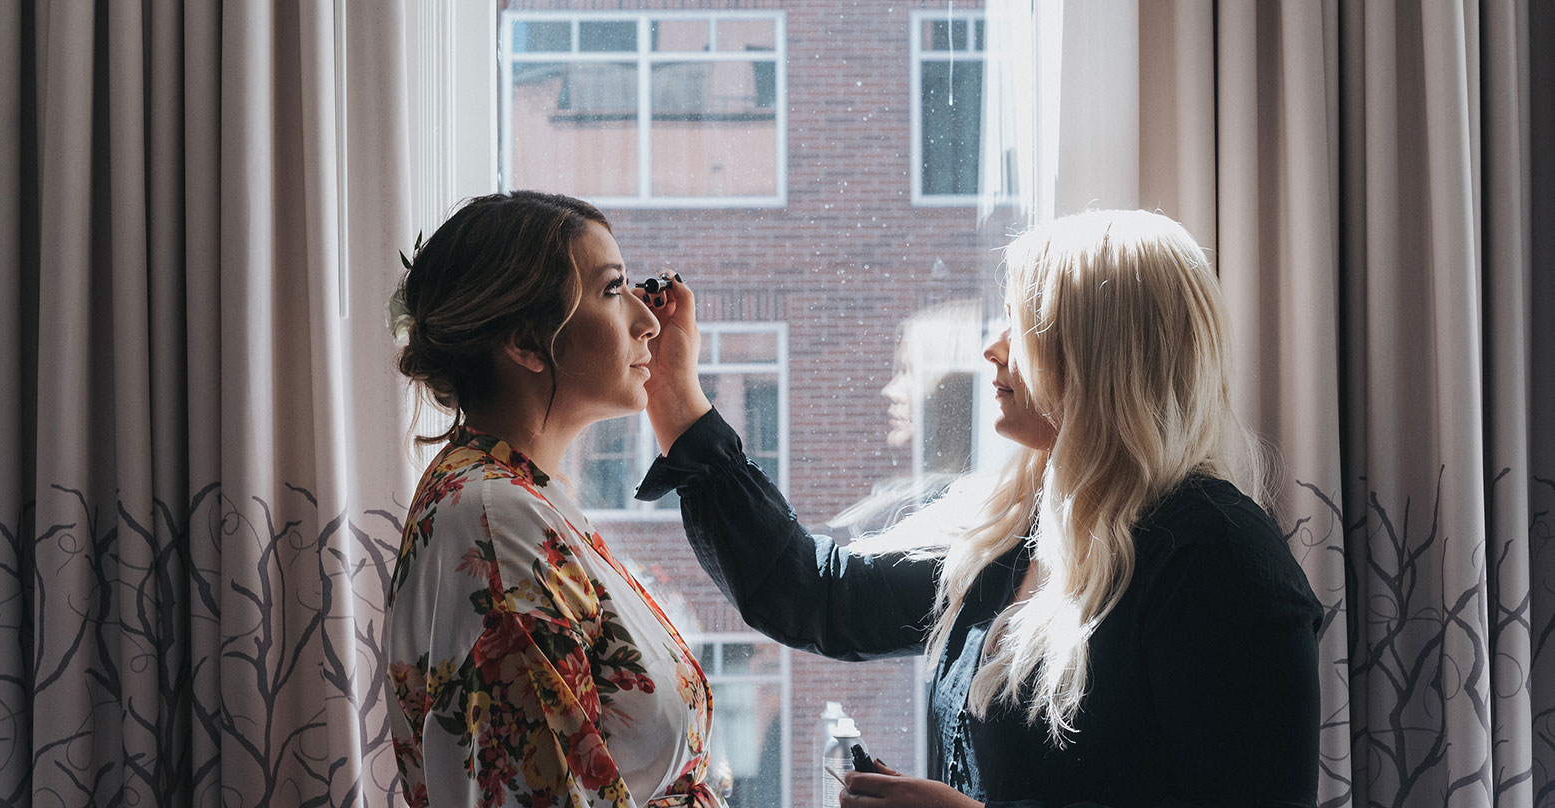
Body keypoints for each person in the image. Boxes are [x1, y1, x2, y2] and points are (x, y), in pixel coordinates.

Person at [633, 210, 1323, 808]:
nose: (992, 349)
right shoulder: (1020, 532)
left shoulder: (1222, 559)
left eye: (1022, 326)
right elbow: (814, 594)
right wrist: (674, 397)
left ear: (1099, 354)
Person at [382, 191, 723, 808]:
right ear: (528, 343)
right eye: (613, 290)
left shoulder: (518, 495)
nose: (648, 322)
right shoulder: (497, 522)